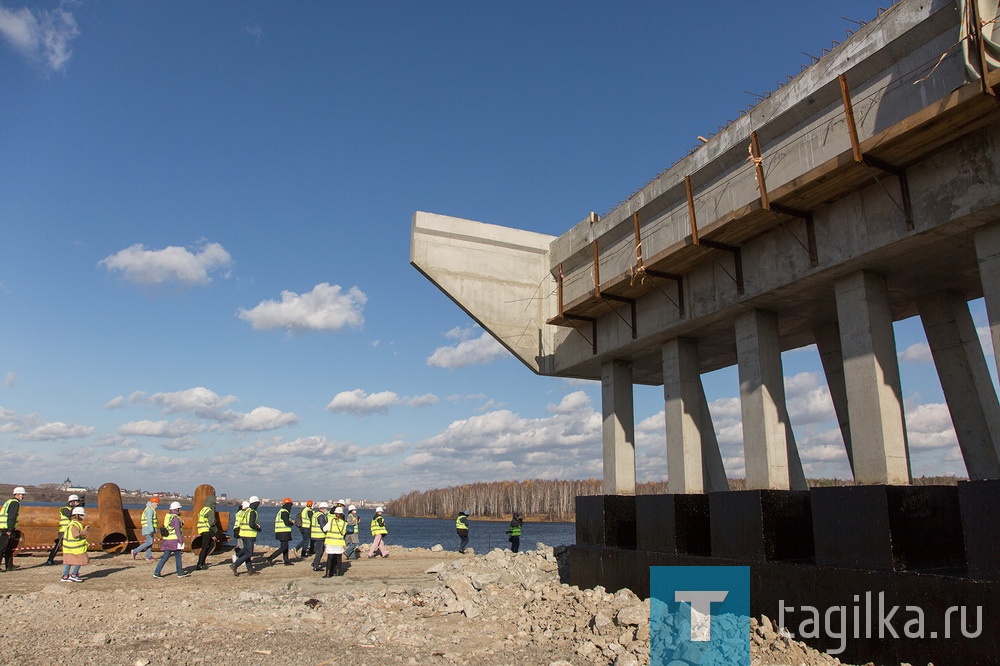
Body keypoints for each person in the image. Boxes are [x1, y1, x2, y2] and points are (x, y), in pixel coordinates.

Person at [153, 501, 189, 578]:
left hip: (166, 540)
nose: (180, 510)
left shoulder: (168, 516)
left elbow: (170, 526)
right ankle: (179, 573)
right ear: (176, 509)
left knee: (165, 557)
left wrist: (180, 524)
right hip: (174, 540)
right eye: (179, 509)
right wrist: (181, 540)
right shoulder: (176, 518)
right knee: (178, 556)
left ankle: (156, 572)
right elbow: (177, 530)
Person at [45, 494, 81, 566]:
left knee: (71, 544)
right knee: (58, 545)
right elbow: (68, 514)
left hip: (70, 530)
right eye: (75, 502)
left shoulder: (73, 509)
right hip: (63, 530)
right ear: (72, 502)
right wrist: (75, 507)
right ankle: (50, 560)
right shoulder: (64, 509)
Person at [231, 496, 262, 576]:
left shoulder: (246, 511)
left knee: (246, 551)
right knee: (249, 553)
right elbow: (251, 524)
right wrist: (258, 528)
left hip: (243, 534)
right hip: (249, 535)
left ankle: (250, 569)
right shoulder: (253, 512)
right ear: (255, 504)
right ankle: (235, 564)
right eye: (258, 503)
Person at [60, 506, 89, 582]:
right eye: (82, 515)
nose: (83, 517)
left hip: (68, 547)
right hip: (76, 548)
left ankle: (65, 576)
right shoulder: (75, 524)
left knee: (69, 561)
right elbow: (75, 535)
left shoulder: (72, 523)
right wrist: (84, 531)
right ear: (78, 515)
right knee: (80, 560)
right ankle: (74, 575)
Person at [0, 486, 25, 572]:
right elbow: (12, 517)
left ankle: (9, 566)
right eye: (22, 495)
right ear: (18, 494)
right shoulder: (15, 503)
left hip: (5, 527)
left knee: (9, 548)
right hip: (6, 528)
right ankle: (8, 565)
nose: (23, 497)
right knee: (2, 548)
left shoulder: (9, 501)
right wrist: (10, 530)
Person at [266, 498, 295, 566]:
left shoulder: (281, 511)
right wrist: (292, 523)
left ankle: (286, 560)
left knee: (285, 546)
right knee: (283, 547)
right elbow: (286, 522)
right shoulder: (285, 512)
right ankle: (270, 558)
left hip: (281, 531)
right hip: (283, 532)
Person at [195, 495, 220, 570]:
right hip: (207, 530)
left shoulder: (202, 510)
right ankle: (200, 563)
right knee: (206, 547)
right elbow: (212, 523)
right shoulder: (209, 511)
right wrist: (215, 533)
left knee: (207, 546)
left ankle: (202, 562)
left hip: (201, 530)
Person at [323, 506, 347, 577]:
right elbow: (344, 532)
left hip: (330, 542)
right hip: (339, 542)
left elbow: (324, 529)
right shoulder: (344, 523)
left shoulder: (331, 521)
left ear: (335, 514)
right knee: (339, 558)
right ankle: (338, 573)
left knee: (330, 558)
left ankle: (328, 574)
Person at [310, 502, 330, 571]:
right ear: (324, 509)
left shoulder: (315, 514)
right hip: (319, 536)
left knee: (319, 550)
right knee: (320, 551)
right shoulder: (321, 516)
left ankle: (315, 563)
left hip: (314, 535)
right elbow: (323, 527)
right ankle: (316, 566)